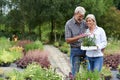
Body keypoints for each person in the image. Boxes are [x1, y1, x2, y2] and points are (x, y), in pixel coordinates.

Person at [65, 6, 88, 79]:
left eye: (82, 17)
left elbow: (92, 29)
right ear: (75, 13)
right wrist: (79, 36)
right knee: (75, 72)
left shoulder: (84, 23)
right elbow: (67, 40)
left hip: (86, 50)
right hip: (75, 50)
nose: (81, 18)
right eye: (80, 16)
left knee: (88, 70)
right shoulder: (69, 24)